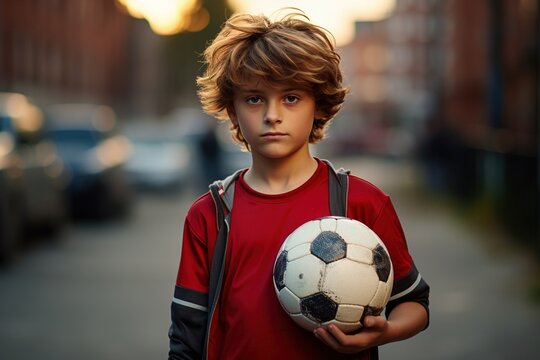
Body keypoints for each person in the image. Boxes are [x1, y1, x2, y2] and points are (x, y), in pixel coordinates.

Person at [168, 10, 429, 360]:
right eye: (254, 98)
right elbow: (186, 335)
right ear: (232, 111)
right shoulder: (211, 214)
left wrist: (385, 332)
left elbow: (414, 303)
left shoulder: (361, 202)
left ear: (318, 106)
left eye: (291, 98)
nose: (272, 114)